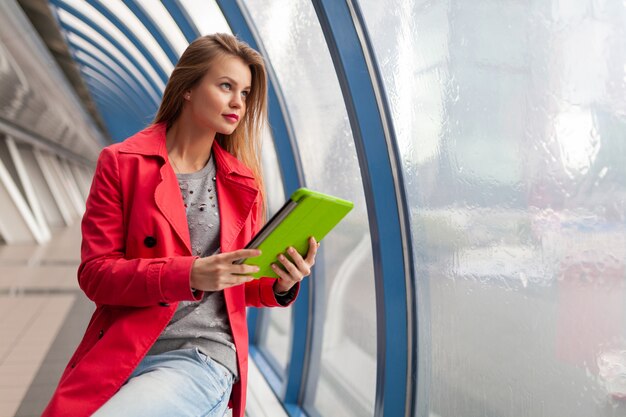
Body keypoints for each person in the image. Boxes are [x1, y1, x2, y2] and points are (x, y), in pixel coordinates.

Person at [42, 33, 317, 417]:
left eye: (245, 92)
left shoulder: (243, 182)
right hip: (122, 349)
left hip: (202, 354)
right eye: (225, 86)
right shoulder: (121, 163)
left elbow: (243, 286)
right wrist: (189, 274)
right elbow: (96, 276)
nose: (238, 101)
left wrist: (282, 283)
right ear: (187, 88)